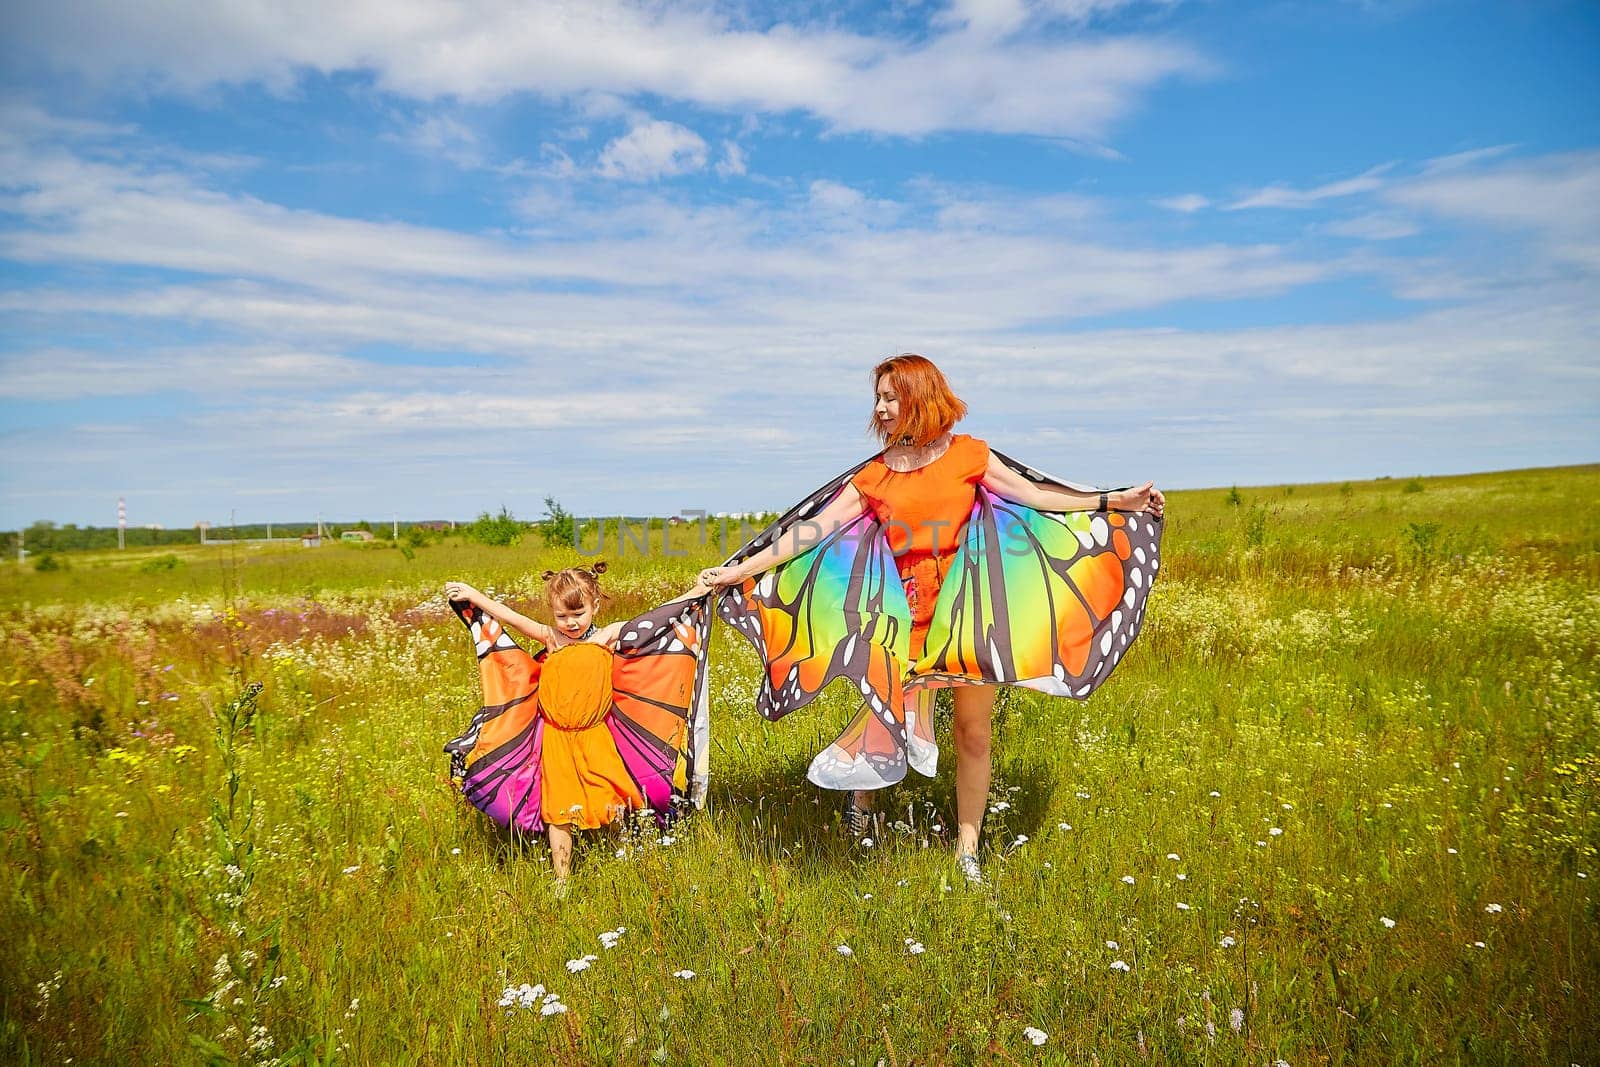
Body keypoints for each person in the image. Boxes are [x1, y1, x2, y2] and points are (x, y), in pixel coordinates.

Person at [700, 353, 1165, 885]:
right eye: (878, 397)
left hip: (969, 619)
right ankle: (863, 807)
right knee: (885, 720)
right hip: (901, 623)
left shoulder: (969, 454)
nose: (879, 408)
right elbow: (807, 532)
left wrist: (1114, 500)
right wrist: (737, 571)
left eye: (889, 397)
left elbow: (1036, 496)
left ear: (918, 397)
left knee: (973, 734)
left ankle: (967, 850)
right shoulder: (873, 476)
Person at [443, 564, 710, 881]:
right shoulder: (552, 637)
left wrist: (697, 593)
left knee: (611, 799)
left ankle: (621, 855)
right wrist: (473, 595)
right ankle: (562, 878)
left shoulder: (608, 637)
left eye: (578, 614)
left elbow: (657, 620)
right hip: (556, 739)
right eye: (562, 616)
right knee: (558, 810)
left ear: (595, 604)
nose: (570, 623)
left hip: (596, 736)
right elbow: (509, 616)